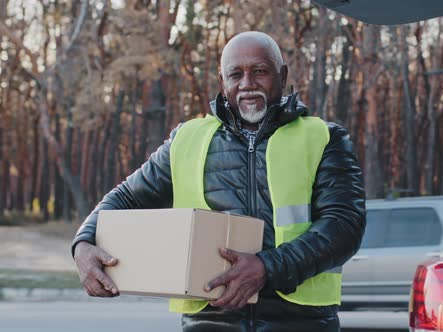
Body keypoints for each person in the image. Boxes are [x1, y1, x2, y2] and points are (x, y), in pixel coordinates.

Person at [72, 31, 366, 332]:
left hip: (301, 323)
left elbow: (345, 224)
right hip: (209, 322)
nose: (247, 83)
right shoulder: (187, 139)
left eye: (260, 71)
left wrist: (268, 267)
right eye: (235, 74)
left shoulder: (324, 137)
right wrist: (84, 242)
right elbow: (126, 197)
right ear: (222, 82)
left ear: (282, 75)